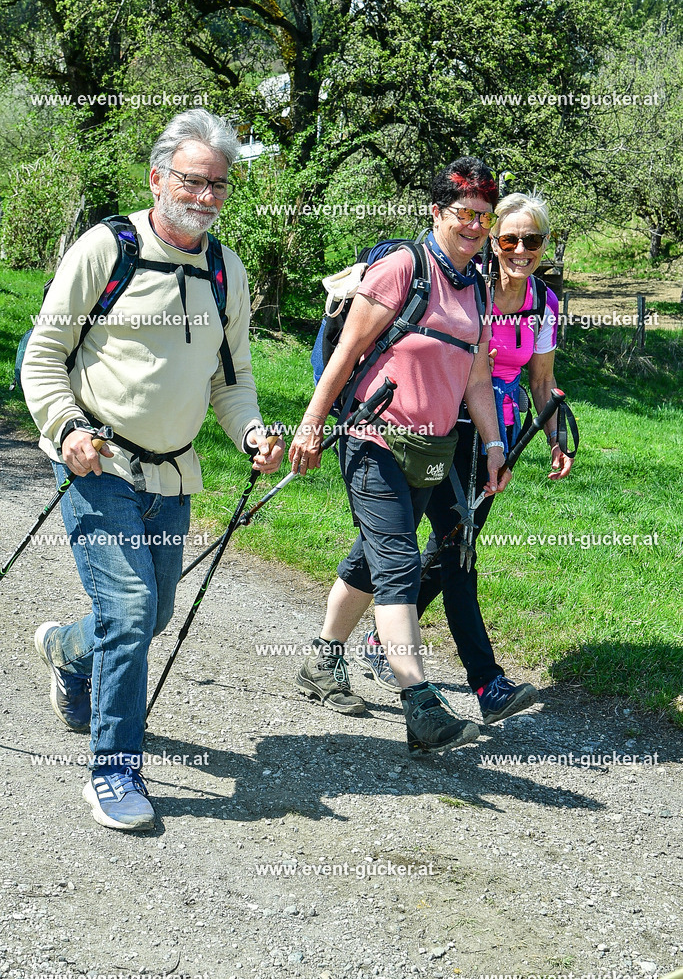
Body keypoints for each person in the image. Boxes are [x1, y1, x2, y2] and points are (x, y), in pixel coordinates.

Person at [22, 109, 284, 831]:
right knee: (132, 613)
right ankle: (114, 772)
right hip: (96, 461)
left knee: (150, 613)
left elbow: (232, 383)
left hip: (173, 475)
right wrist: (67, 427)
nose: (203, 197)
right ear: (158, 176)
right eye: (191, 181)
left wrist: (253, 432)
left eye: (217, 186)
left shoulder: (226, 270)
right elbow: (41, 357)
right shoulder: (107, 249)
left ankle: (67, 653)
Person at [288, 157, 511, 755]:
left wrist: (492, 445)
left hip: (432, 449)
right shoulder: (401, 269)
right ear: (436, 212)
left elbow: (478, 379)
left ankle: (321, 660)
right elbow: (345, 355)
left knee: (370, 558)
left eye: (484, 217)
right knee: (398, 561)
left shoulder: (479, 288)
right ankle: (419, 704)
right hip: (373, 438)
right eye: (464, 213)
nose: (474, 226)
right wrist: (311, 426)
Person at [359, 192, 572, 725]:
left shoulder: (543, 303)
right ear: (494, 241)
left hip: (491, 443)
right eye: (509, 238)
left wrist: (554, 438)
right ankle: (485, 681)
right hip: (434, 430)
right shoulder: (467, 285)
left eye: (533, 240)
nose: (521, 249)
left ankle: (375, 643)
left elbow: (541, 382)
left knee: (449, 548)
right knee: (425, 548)